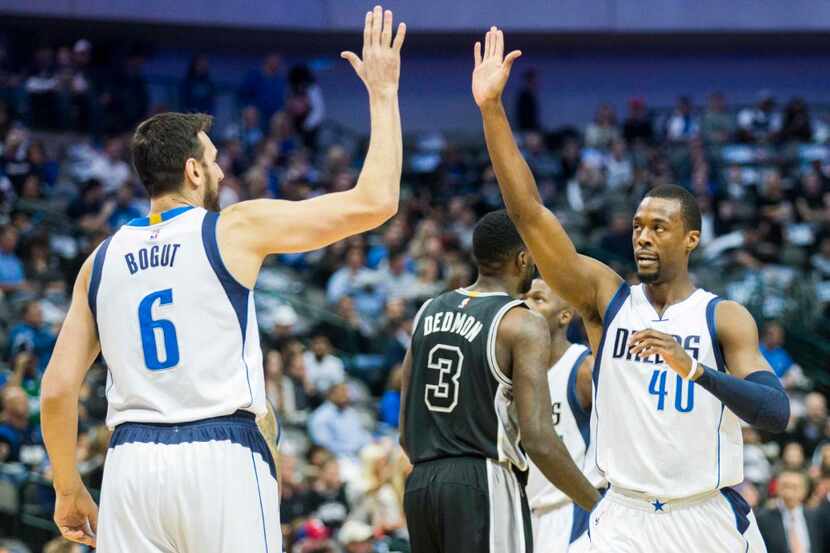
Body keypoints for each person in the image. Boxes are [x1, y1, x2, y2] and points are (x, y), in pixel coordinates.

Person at [40, 7, 406, 550]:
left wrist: (67, 487)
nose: (221, 170)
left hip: (131, 464)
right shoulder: (231, 228)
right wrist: (382, 92)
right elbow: (376, 202)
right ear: (192, 170)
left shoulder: (101, 259)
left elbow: (57, 390)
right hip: (221, 453)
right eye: (212, 161)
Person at [472, 27, 788, 553]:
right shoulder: (607, 298)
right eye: (639, 225)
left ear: (691, 238)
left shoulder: (723, 318)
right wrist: (492, 111)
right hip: (623, 515)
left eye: (658, 227)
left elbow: (775, 412)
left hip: (704, 514)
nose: (643, 235)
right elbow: (529, 213)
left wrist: (696, 370)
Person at [400, 210, 599, 553]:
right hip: (483, 482)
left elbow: (405, 430)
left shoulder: (428, 311)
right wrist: (598, 506)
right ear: (522, 259)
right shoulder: (521, 322)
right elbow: (538, 440)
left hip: (420, 485)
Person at [523, 278, 603, 553]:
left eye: (537, 299)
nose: (525, 305)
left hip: (571, 514)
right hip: (525, 516)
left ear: (565, 316)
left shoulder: (582, 369)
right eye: (523, 298)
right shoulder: (510, 374)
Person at [756, 470, 821, 553]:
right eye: (785, 486)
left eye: (794, 487)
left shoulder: (816, 517)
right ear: (777, 488)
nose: (789, 492)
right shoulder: (763, 519)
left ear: (805, 490)